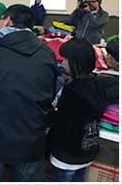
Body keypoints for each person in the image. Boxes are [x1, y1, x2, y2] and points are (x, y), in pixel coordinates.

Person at [0, 4, 58, 182]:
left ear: (8, 20)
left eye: (1, 19)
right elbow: (50, 93)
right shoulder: (46, 53)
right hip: (30, 137)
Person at [49, 37, 119, 182]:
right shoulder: (98, 85)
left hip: (66, 155)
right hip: (88, 150)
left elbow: (60, 125)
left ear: (76, 63)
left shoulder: (72, 91)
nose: (62, 63)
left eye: (65, 59)